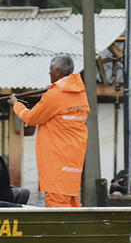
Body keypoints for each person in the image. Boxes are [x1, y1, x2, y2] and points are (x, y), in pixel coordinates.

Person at [8, 54, 90, 208]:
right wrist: (51, 90)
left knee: (58, 211)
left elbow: (31, 118)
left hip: (56, 164)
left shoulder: (55, 95)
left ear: (58, 72)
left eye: (50, 70)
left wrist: (16, 104)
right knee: (72, 205)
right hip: (73, 163)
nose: (49, 73)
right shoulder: (80, 94)